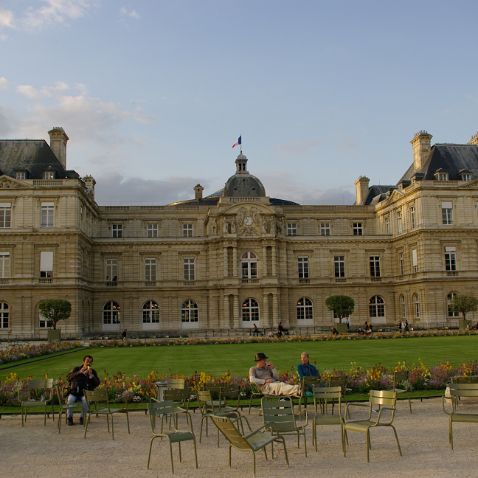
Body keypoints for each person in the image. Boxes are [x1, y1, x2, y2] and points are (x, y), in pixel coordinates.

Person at [66, 354, 100, 426]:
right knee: (70, 400)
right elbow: (69, 378)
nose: (88, 363)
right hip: (74, 392)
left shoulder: (93, 371)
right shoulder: (76, 369)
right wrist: (80, 372)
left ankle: (82, 417)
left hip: (85, 393)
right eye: (87, 361)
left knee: (86, 400)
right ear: (83, 361)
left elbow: (97, 383)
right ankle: (69, 418)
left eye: (90, 362)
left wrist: (92, 376)